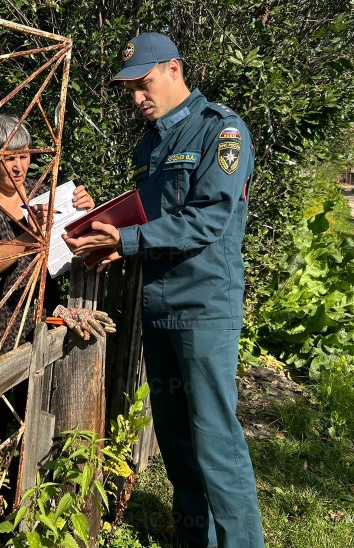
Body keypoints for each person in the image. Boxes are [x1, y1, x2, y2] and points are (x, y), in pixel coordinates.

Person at [63, 33, 264, 548]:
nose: (137, 98)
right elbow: (152, 218)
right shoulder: (150, 144)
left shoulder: (222, 131)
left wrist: (129, 239)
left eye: (144, 84)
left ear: (174, 69)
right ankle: (197, 538)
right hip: (158, 305)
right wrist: (113, 242)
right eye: (130, 88)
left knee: (215, 438)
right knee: (176, 438)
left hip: (203, 306)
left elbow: (208, 220)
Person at [0, 114, 94, 373]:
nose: (19, 167)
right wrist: (29, 239)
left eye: (24, 156)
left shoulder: (40, 191)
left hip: (37, 327)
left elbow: (74, 247)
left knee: (32, 408)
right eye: (9, 158)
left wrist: (85, 215)